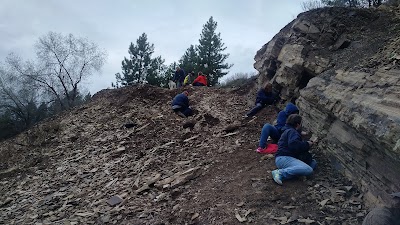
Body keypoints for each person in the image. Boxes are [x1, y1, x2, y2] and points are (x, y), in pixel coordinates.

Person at [271, 114, 317, 185]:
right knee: (309, 169)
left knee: (313, 162)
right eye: (301, 124)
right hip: (284, 158)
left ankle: (298, 174)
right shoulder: (292, 132)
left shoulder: (289, 131)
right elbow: (294, 145)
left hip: (284, 158)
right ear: (298, 124)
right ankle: (280, 173)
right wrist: (307, 144)